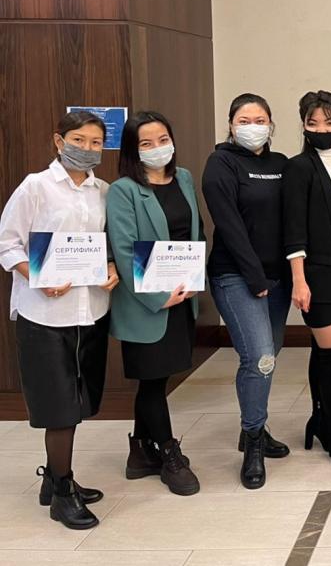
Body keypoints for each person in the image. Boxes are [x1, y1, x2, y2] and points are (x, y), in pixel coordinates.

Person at [0, 111, 119, 530]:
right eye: (78, 140)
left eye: (95, 142)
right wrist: (38, 275)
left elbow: (107, 245)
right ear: (58, 140)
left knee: (78, 400)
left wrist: (111, 268)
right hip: (44, 315)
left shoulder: (104, 191)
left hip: (90, 311)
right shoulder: (36, 186)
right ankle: (63, 495)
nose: (87, 149)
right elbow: (8, 244)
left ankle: (54, 479)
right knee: (59, 407)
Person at [107, 111, 203, 496]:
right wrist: (159, 297)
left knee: (158, 378)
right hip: (145, 302)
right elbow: (124, 249)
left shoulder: (184, 178)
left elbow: (195, 233)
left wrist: (194, 279)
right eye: (146, 143)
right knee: (151, 379)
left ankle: (139, 453)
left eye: (163, 140)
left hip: (182, 296)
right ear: (133, 150)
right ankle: (169, 454)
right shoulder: (124, 190)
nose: (157, 148)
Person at [202, 93, 292, 490]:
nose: (252, 127)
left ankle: (254, 427)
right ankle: (253, 441)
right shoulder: (220, 163)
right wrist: (255, 278)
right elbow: (229, 225)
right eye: (244, 120)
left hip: (279, 278)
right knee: (259, 358)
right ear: (230, 124)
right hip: (236, 275)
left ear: (271, 125)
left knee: (269, 356)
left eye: (260, 120)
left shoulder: (281, 164)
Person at [284, 90, 331, 469]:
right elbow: (294, 228)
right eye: (312, 123)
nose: (321, 129)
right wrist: (299, 280)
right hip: (316, 271)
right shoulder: (300, 167)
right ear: (303, 126)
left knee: (322, 349)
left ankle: (318, 418)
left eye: (329, 122)